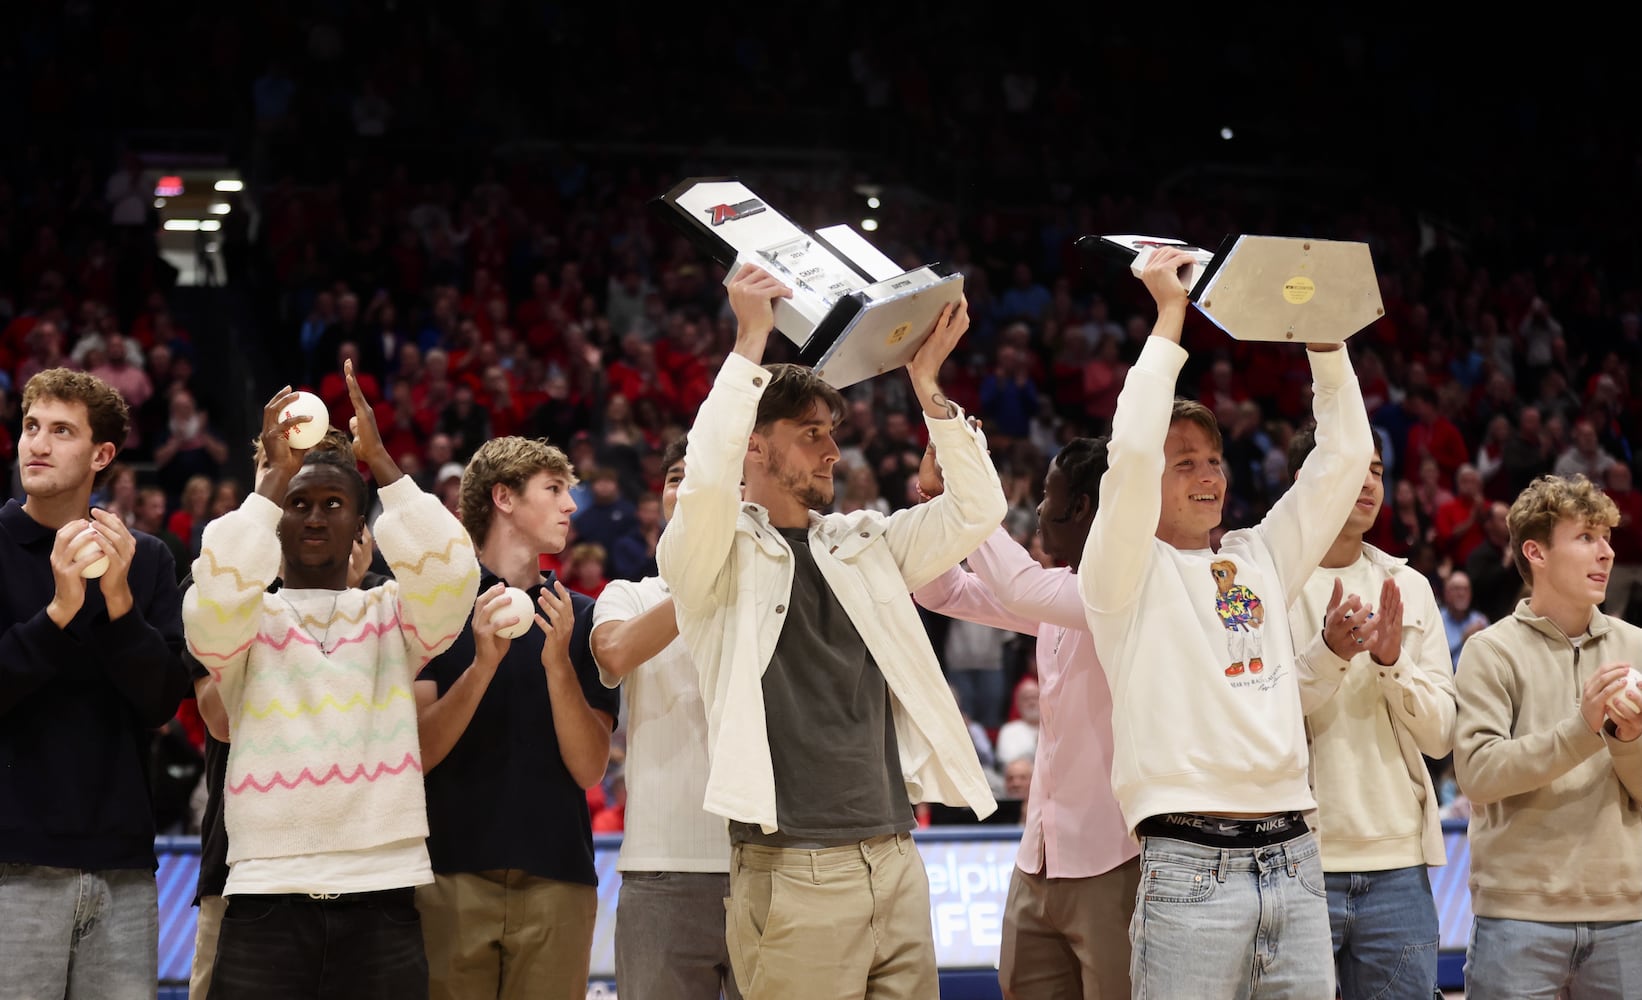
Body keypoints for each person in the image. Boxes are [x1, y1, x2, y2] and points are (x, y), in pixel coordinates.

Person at [658, 265, 1002, 999]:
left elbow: (977, 513)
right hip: (792, 871)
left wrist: (929, 388)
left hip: (896, 854)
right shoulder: (710, 558)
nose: (831, 451)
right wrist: (751, 338)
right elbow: (706, 484)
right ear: (755, 446)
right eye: (810, 433)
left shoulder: (862, 541)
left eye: (831, 434)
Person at [1078, 247, 1374, 997]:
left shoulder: (1260, 557)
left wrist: (1325, 341)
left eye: (1213, 460)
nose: (1209, 475)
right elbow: (1132, 447)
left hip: (1296, 857)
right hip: (1188, 865)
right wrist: (1170, 316)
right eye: (1185, 464)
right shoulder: (1120, 573)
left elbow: (1345, 458)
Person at [183, 363, 479, 999]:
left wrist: (384, 467)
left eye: (334, 504)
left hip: (384, 895)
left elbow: (456, 579)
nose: (315, 518)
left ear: (358, 529)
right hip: (265, 895)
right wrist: (267, 486)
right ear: (278, 519)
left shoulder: (393, 614)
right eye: (299, 504)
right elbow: (210, 607)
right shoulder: (244, 619)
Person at [914, 435, 1139, 998]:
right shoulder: (1055, 597)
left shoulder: (1130, 593)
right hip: (1037, 856)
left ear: (1083, 506)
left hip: (1114, 861)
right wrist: (937, 502)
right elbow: (941, 591)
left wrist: (968, 491)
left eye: (1048, 493)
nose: (1038, 509)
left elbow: (1014, 581)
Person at [0, 369, 189, 999]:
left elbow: (162, 699)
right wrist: (57, 613)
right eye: (31, 427)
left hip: (124, 868)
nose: (37, 445)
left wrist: (116, 601)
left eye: (61, 431)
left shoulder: (148, 559)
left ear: (102, 455)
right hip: (12, 863)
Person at [413, 435, 619, 1000]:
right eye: (553, 490)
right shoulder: (434, 613)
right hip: (448, 874)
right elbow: (419, 754)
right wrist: (481, 667)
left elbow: (589, 769)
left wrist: (559, 668)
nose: (570, 506)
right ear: (503, 498)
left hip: (558, 878)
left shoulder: (581, 616)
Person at [185, 428, 386, 1000]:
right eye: (286, 478)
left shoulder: (378, 602)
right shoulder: (217, 588)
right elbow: (221, 720)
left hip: (359, 877)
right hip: (243, 873)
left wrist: (338, 604)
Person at [1454, 474, 1642, 997]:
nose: (1605, 553)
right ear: (1535, 552)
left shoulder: (1637, 646)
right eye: (1586, 537)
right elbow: (1479, 774)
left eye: (1607, 538)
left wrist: (1627, 741)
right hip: (1519, 917)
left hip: (1626, 915)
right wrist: (1583, 731)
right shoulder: (1490, 652)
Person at [1286, 430, 1456, 998]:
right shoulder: (1264, 584)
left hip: (1399, 864)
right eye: (1351, 467)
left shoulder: (1409, 586)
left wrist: (1391, 662)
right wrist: (1329, 654)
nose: (1367, 482)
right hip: (1293, 861)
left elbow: (1440, 735)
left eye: (1377, 470)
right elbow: (1254, 719)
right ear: (1302, 481)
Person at [589, 436, 740, 1000]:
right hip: (660, 866)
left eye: (703, 476)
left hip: (769, 863)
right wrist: (700, 580)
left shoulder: (770, 588)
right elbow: (615, 652)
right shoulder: (626, 593)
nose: (687, 487)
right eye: (677, 477)